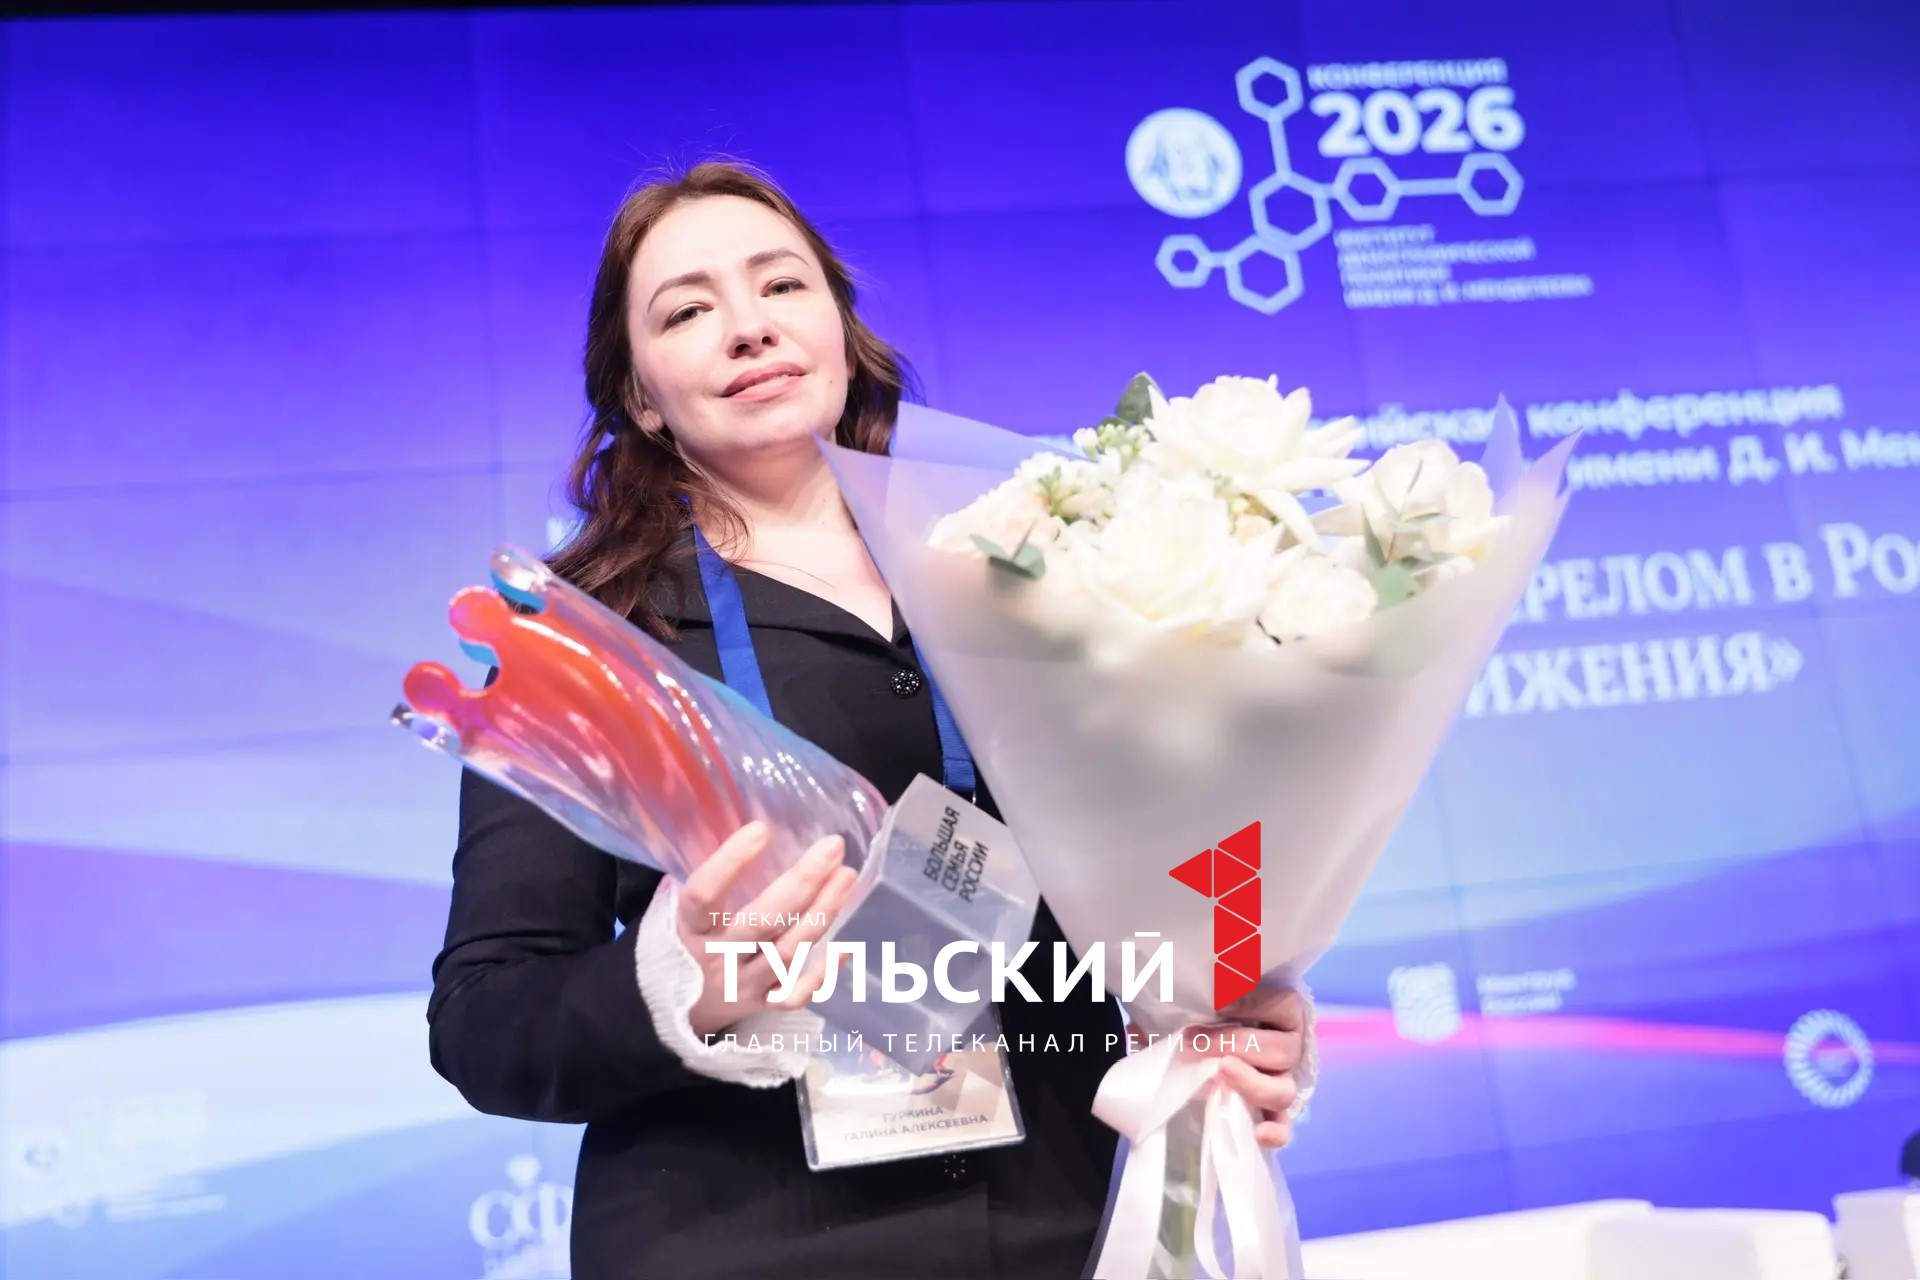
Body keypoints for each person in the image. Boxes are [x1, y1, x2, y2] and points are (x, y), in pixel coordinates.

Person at [426, 161, 1314, 1280]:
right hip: (747, 1248)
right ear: (641, 394)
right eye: (688, 311)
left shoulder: (1035, 566)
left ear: (841, 332)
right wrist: (681, 982)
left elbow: (1151, 877)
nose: (748, 326)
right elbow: (485, 1023)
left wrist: (1220, 998)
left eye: (781, 285)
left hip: (1072, 1224)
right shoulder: (583, 646)